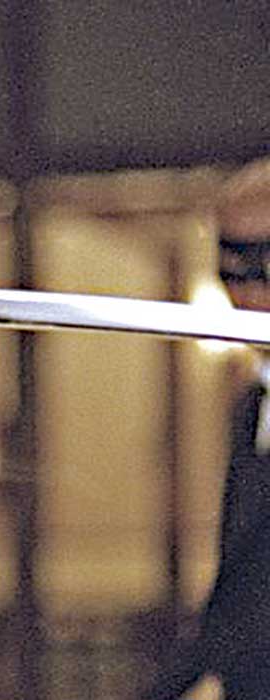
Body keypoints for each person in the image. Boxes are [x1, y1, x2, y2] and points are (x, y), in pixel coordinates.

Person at [145, 156, 270, 699]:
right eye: (233, 267)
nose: (250, 291)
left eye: (266, 262)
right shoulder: (252, 408)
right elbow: (239, 592)